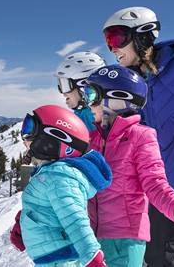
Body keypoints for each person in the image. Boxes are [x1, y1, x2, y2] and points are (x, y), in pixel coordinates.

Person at [102, 7, 174, 265]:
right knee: (157, 259)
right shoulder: (133, 86)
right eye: (108, 41)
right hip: (159, 193)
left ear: (143, 35)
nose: (112, 48)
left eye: (116, 38)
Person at [83, 64, 174, 266]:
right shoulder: (92, 140)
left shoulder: (141, 137)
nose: (88, 104)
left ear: (116, 100)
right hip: (92, 239)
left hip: (125, 240)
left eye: (92, 96)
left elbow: (155, 183)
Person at [10, 104, 112, 267]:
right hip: (55, 259)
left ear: (56, 138)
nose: (25, 138)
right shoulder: (52, 174)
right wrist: (24, 223)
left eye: (30, 130)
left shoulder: (60, 178)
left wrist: (93, 259)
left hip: (62, 261)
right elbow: (46, 206)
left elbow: (75, 220)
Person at [55, 52, 106, 132]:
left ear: (83, 86)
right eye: (61, 85)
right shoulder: (80, 116)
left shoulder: (101, 119)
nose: (64, 94)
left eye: (66, 86)